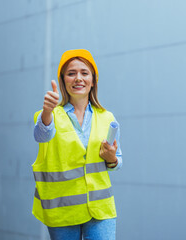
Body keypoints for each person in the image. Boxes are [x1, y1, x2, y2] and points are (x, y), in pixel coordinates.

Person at [32, 49, 122, 240]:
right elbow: (42, 135)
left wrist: (112, 158)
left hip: (100, 210)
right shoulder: (49, 116)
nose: (78, 78)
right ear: (63, 80)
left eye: (84, 73)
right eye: (71, 73)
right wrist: (47, 111)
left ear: (93, 80)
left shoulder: (107, 118)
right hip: (62, 210)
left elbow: (117, 161)